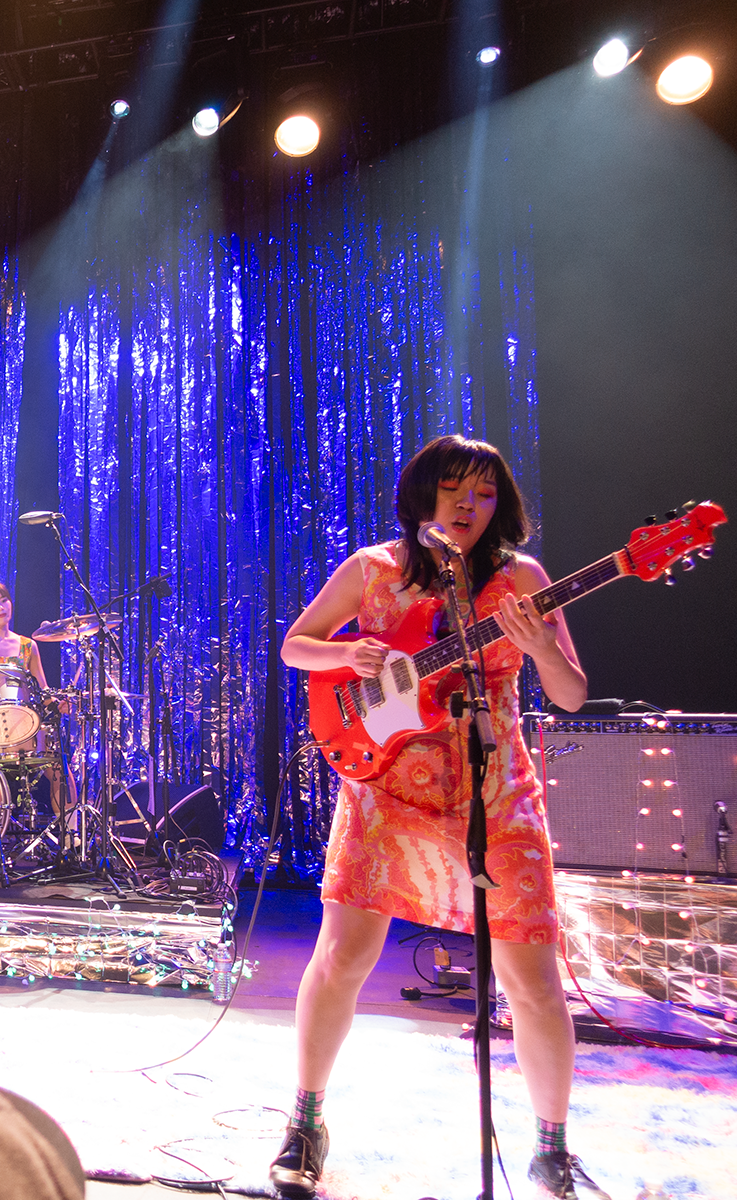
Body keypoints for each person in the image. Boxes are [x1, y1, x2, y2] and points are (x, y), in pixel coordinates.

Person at [271, 435, 601, 1200]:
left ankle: (552, 1147)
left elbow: (574, 692)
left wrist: (536, 649)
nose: (469, 506)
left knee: (532, 976)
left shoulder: (522, 578)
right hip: (387, 784)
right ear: (424, 494)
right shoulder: (372, 569)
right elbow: (296, 646)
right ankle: (305, 1120)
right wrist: (343, 660)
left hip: (494, 789)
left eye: (485, 495)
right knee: (342, 957)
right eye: (455, 489)